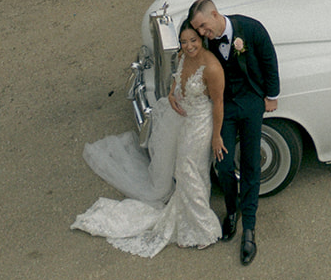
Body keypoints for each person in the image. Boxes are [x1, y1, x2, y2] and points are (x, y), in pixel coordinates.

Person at [72, 22, 224, 257]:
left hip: (200, 124)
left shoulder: (212, 68)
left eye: (193, 40)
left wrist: (216, 137)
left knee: (189, 170)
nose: (188, 46)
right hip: (183, 120)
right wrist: (172, 95)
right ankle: (188, 223)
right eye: (184, 42)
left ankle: (205, 229)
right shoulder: (183, 57)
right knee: (189, 171)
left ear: (201, 39)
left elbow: (218, 103)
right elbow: (177, 80)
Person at [186, 0, 280, 266]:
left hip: (251, 101)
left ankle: (249, 228)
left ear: (215, 15)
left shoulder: (251, 29)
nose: (202, 32)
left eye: (203, 26)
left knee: (251, 163)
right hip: (224, 105)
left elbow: (269, 60)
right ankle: (231, 211)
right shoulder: (206, 40)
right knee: (224, 164)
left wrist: (272, 95)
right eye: (198, 29)